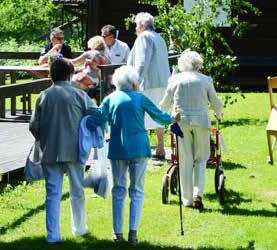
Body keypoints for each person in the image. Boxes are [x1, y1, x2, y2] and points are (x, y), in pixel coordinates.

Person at [86, 65, 178, 246]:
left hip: (118, 149)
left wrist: (82, 115)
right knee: (137, 190)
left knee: (118, 190)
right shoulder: (140, 98)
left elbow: (96, 121)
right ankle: (133, 233)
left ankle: (117, 232)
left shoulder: (110, 99)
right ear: (134, 82)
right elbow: (160, 116)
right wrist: (173, 117)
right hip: (139, 148)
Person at [29, 58, 95, 243]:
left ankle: (53, 235)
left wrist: (43, 138)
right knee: (77, 191)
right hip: (75, 150)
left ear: (51, 75)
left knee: (52, 193)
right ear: (70, 75)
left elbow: (34, 125)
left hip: (50, 149)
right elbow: (94, 117)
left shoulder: (44, 95)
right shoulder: (79, 95)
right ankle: (80, 228)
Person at [160, 50, 223, 209]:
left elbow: (165, 104)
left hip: (180, 122)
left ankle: (187, 200)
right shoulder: (205, 79)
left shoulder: (175, 79)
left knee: (185, 159)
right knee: (201, 158)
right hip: (201, 122)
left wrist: (163, 115)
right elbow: (215, 102)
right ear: (198, 64)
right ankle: (197, 194)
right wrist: (219, 113)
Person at [127, 12, 171, 160]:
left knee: (141, 115)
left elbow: (142, 61)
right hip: (162, 81)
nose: (135, 29)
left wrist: (135, 81)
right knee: (158, 113)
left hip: (148, 82)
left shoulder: (143, 37)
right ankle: (160, 147)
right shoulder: (159, 38)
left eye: (136, 25)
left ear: (141, 25)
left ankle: (143, 148)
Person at [70, 35, 109, 100]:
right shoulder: (106, 55)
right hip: (99, 83)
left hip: (87, 81)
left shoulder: (90, 53)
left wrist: (59, 58)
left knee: (67, 80)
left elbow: (73, 62)